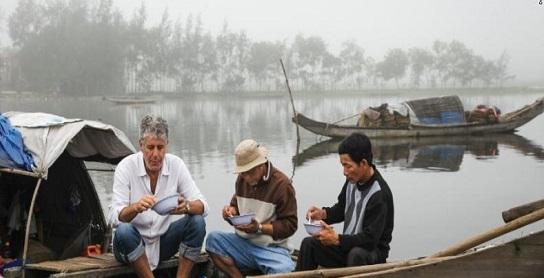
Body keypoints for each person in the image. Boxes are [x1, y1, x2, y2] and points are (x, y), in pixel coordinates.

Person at [108, 114, 209, 278]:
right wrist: (135, 208)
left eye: (160, 148)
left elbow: (204, 206)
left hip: (161, 243)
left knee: (197, 222)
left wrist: (187, 207)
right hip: (129, 245)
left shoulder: (176, 165)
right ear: (141, 145)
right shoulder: (125, 167)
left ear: (167, 146)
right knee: (124, 231)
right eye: (150, 147)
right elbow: (114, 217)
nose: (155, 154)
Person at [295, 132, 394, 271]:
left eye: (348, 166)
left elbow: (370, 239)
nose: (344, 172)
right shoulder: (352, 181)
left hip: (371, 254)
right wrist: (323, 214)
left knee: (356, 254)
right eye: (343, 166)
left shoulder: (379, 194)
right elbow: (342, 209)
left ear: (363, 163)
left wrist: (338, 239)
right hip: (349, 246)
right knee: (309, 244)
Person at [206, 139, 298, 277]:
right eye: (243, 173)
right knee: (213, 240)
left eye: (250, 172)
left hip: (271, 249)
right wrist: (230, 212)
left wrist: (259, 228)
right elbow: (235, 205)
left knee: (284, 270)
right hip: (243, 243)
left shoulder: (282, 184)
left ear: (261, 164)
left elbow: (290, 225)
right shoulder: (242, 179)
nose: (247, 177)